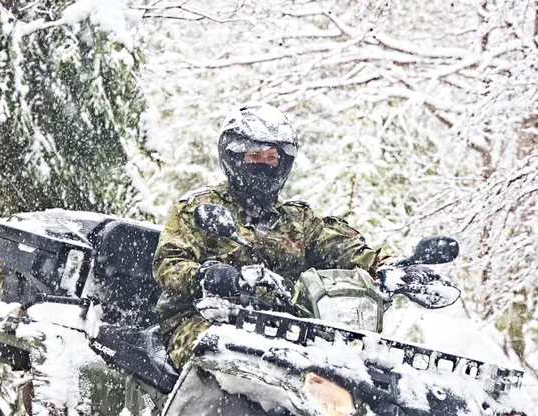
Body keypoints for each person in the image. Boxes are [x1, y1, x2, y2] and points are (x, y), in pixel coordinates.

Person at [152, 102, 398, 370]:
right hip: (201, 320)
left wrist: (389, 267)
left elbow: (344, 248)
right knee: (232, 364)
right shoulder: (200, 207)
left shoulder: (296, 219)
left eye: (272, 158)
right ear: (234, 157)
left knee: (346, 371)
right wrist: (209, 277)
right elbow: (169, 265)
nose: (265, 165)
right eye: (255, 156)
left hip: (283, 328)